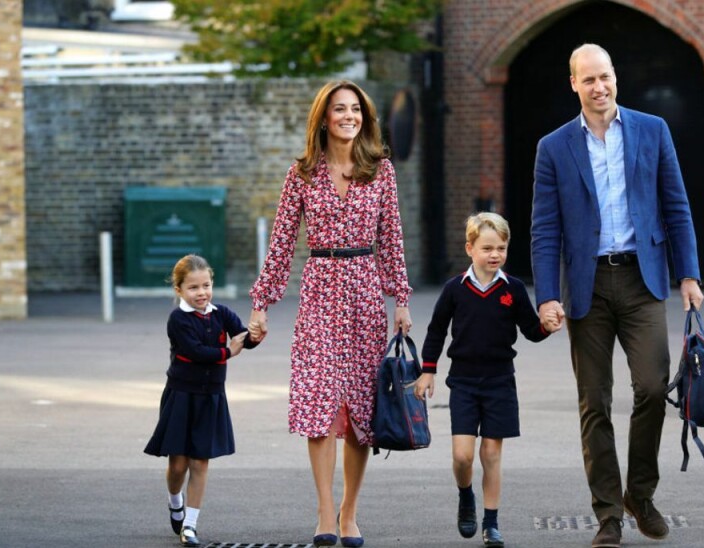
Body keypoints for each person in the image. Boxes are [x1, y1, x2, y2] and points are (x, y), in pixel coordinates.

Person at [530, 43, 704, 548]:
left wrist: (688, 274)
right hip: (585, 287)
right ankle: (607, 513)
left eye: (604, 76)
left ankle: (640, 495)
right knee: (595, 403)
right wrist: (546, 297)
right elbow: (545, 230)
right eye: (588, 80)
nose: (598, 87)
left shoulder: (652, 130)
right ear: (574, 85)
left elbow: (677, 206)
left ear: (615, 76)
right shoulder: (554, 147)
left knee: (652, 388)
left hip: (642, 279)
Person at [247, 80, 413, 548]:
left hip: (363, 294)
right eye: (339, 109)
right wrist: (261, 303)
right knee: (319, 404)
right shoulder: (300, 174)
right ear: (323, 117)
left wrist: (400, 298)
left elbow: (392, 241)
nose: (349, 116)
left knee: (361, 409)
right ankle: (324, 510)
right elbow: (281, 245)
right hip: (319, 292)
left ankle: (349, 512)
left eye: (355, 110)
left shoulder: (380, 171)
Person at [415, 212, 559, 548]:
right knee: (463, 456)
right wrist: (428, 369)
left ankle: (491, 523)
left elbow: (530, 330)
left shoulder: (513, 289)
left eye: (502, 248)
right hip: (463, 382)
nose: (495, 255)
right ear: (470, 248)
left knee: (491, 454)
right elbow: (437, 330)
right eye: (487, 248)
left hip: (499, 382)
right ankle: (466, 495)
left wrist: (546, 327)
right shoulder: (455, 289)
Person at [144, 254, 261, 547]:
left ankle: (190, 526)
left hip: (211, 398)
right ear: (179, 290)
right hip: (182, 396)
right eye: (194, 288)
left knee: (200, 462)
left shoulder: (221, 313)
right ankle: (175, 501)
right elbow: (195, 352)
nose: (201, 293)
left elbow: (242, 335)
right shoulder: (178, 319)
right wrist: (228, 352)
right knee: (178, 465)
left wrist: (255, 336)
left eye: (206, 285)